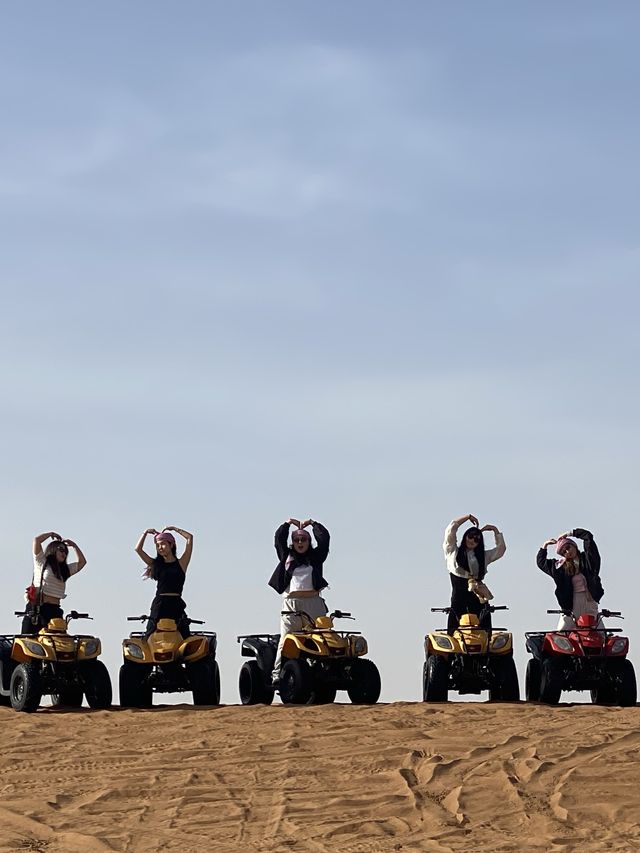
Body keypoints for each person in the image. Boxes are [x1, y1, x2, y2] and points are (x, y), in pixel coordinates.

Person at [268, 517, 330, 683]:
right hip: (292, 605)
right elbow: (278, 539)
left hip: (314, 603)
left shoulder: (316, 557)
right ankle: (277, 674)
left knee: (325, 639)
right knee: (286, 639)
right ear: (293, 542)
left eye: (304, 539)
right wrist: (288, 524)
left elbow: (324, 540)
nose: (300, 542)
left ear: (309, 541)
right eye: (296, 539)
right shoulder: (287, 557)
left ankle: (325, 673)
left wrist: (314, 524)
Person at [443, 513, 506, 635]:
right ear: (466, 536)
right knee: (453, 622)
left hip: (477, 595)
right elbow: (450, 531)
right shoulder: (453, 551)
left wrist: (495, 530)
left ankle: (486, 647)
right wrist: (467, 517)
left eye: (477, 539)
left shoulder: (483, 556)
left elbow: (500, 550)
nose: (473, 540)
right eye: (471, 536)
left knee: (485, 619)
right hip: (459, 595)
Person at [537, 528, 604, 630]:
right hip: (572, 604)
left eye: (568, 547)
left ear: (574, 545)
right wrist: (545, 546)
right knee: (561, 632)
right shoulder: (561, 567)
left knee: (600, 632)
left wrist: (569, 533)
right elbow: (541, 563)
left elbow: (588, 537)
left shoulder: (588, 560)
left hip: (590, 601)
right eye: (564, 552)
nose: (568, 552)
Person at [22, 531, 87, 634]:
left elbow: (82, 562)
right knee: (28, 641)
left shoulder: (65, 570)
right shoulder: (42, 562)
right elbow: (37, 541)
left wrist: (74, 546)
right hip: (38, 608)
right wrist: (50, 534)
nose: (64, 553)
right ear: (53, 550)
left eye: (65, 551)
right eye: (61, 550)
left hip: (55, 610)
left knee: (59, 643)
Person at [134, 526, 193, 638]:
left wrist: (176, 530)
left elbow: (190, 538)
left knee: (185, 635)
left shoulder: (181, 563)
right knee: (150, 634)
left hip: (176, 603)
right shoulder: (156, 564)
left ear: (171, 545)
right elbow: (138, 550)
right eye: (157, 545)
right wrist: (145, 532)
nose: (160, 547)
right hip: (160, 604)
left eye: (163, 544)